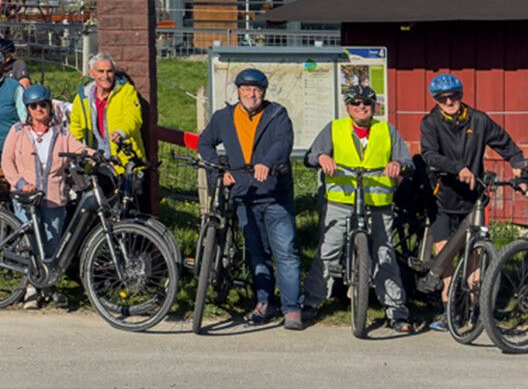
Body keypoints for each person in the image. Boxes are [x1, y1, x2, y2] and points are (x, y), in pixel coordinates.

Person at [419, 72, 528, 330]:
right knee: (445, 256)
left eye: (454, 95)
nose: (449, 101)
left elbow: (503, 142)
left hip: (473, 199)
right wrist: (458, 168)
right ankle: (450, 313)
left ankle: (476, 309)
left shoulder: (478, 120)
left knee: (475, 257)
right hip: (442, 198)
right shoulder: (431, 122)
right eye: (442, 98)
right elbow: (429, 155)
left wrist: (518, 166)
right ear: (436, 100)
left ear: (461, 95)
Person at [197, 68, 304, 330]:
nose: (251, 94)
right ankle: (265, 302)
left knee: (286, 252)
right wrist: (219, 171)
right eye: (246, 89)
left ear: (263, 92)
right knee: (257, 254)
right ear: (238, 92)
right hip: (244, 194)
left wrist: (266, 162)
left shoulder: (277, 114)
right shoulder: (224, 117)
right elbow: (205, 143)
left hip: (274, 194)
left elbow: (283, 142)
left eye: (256, 90)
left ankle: (292, 308)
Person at [302, 85, 412, 333]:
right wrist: (322, 158)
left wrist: (397, 164)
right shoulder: (335, 128)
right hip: (341, 201)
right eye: (356, 103)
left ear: (374, 107)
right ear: (348, 107)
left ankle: (396, 311)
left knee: (384, 255)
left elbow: (406, 159)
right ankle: (312, 301)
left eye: (367, 103)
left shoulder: (386, 130)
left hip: (377, 202)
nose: (361, 107)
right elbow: (310, 155)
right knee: (328, 250)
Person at [1, 84, 92, 308]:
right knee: (29, 243)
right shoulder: (18, 131)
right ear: (28, 110)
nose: (40, 109)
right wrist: (21, 183)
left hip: (53, 196)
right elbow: (7, 162)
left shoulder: (61, 133)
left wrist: (96, 156)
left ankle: (48, 284)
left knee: (52, 243)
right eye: (34, 106)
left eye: (43, 104)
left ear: (50, 106)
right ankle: (31, 287)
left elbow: (79, 149)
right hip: (26, 197)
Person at [69, 52, 145, 173]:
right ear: (91, 74)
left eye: (109, 71)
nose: (106, 76)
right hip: (95, 161)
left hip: (123, 160)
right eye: (100, 71)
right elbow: (76, 128)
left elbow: (134, 118)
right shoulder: (83, 97)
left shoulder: (126, 92)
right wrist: (67, 146)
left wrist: (121, 132)